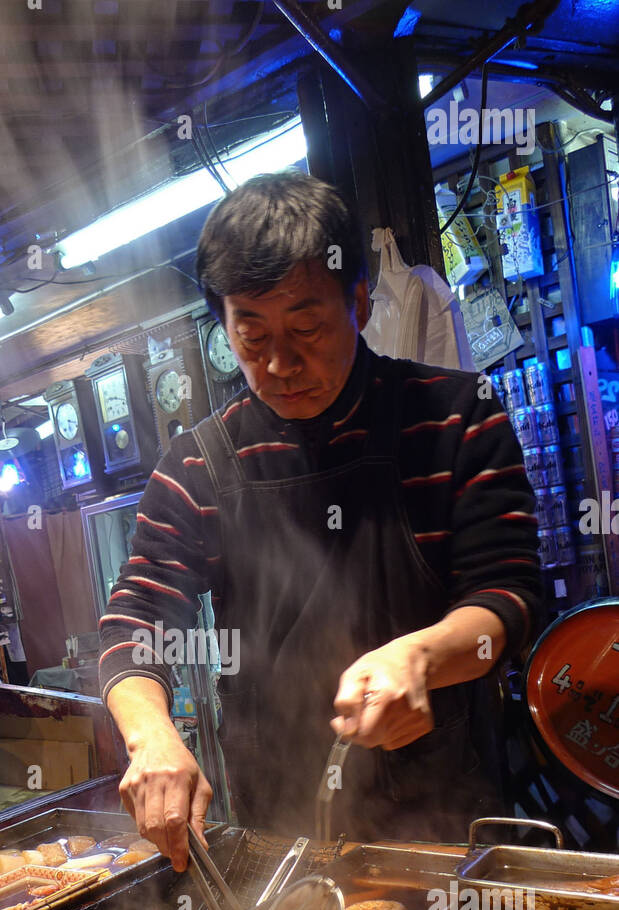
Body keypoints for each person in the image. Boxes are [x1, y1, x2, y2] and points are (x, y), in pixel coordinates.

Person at [99, 171, 541, 870]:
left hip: (446, 813)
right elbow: (136, 620)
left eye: (306, 327)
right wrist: (150, 733)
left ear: (358, 301)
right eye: (250, 335)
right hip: (282, 832)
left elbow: (509, 597)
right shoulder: (198, 466)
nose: (279, 363)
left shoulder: (455, 418)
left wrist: (420, 656)